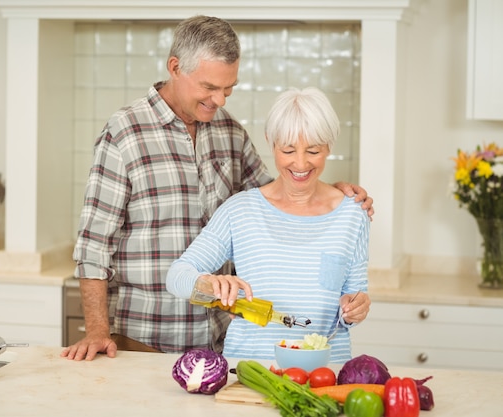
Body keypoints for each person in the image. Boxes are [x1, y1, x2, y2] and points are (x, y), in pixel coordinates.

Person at [61, 15, 373, 361]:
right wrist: (97, 332)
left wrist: (333, 192)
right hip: (147, 337)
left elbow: (279, 195)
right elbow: (93, 246)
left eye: (229, 89)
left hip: (222, 340)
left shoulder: (229, 132)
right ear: (176, 67)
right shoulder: (124, 134)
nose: (220, 100)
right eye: (209, 87)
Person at [166, 87, 371, 363]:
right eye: (288, 150)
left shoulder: (353, 214)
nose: (300, 163)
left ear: (329, 146)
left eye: (313, 150)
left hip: (325, 371)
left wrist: (356, 308)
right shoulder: (240, 211)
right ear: (270, 142)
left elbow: (354, 295)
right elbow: (176, 276)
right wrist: (210, 283)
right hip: (250, 371)